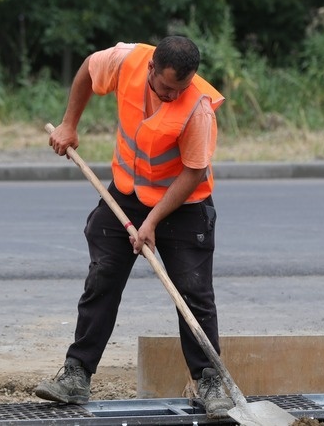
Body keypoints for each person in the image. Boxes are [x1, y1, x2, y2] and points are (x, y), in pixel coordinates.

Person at [35, 36, 234, 417]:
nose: (174, 95)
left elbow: (193, 173)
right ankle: (76, 375)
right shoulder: (126, 61)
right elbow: (87, 71)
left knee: (193, 293)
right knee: (103, 278)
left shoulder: (199, 109)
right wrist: (69, 124)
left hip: (184, 203)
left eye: (182, 88)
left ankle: (210, 380)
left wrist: (153, 221)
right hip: (126, 192)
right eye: (166, 87)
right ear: (151, 70)